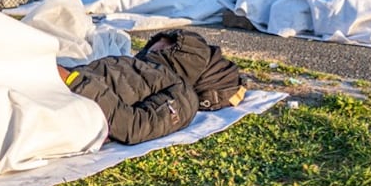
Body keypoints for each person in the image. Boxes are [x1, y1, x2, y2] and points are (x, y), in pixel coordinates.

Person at [57, 29, 245, 145]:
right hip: (57, 87)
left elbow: (133, 126)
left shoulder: (183, 96)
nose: (158, 42)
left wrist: (72, 80)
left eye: (170, 43)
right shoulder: (152, 69)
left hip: (63, 99)